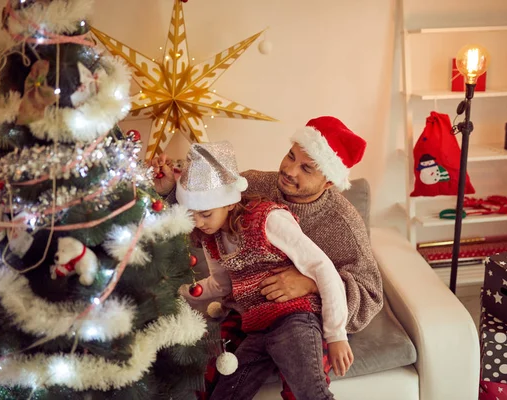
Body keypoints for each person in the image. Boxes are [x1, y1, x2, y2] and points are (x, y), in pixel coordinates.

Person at [152, 116, 383, 399]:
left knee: (304, 381)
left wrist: (310, 285)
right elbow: (204, 202)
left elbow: (370, 295)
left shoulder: (343, 224)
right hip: (253, 314)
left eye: (306, 168)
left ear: (329, 182)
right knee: (211, 372)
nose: (289, 170)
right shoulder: (253, 185)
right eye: (291, 156)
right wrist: (167, 192)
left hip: (308, 314)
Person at [176, 141, 353, 400]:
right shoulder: (211, 239)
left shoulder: (267, 219)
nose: (199, 223)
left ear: (228, 203)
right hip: (257, 327)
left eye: (205, 213)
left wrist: (337, 335)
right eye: (191, 216)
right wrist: (180, 292)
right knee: (225, 393)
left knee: (311, 394)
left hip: (294, 319)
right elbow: (222, 285)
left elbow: (322, 268)